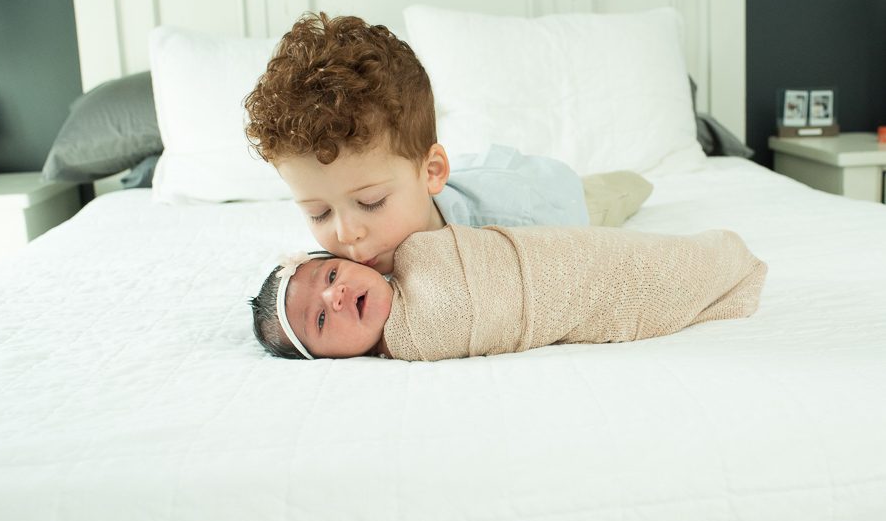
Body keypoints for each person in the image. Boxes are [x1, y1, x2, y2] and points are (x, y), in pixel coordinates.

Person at [244, 13, 649, 276]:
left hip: (550, 190)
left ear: (431, 172)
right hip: (462, 176)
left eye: (370, 202)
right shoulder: (358, 237)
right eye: (318, 213)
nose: (346, 233)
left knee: (622, 190)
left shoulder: (516, 228)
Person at [249, 223, 767, 361]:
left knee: (640, 258)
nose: (335, 298)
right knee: (649, 287)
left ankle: (720, 260)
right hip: (566, 304)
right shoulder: (409, 340)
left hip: (557, 256)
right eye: (320, 321)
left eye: (332, 277)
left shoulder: (417, 252)